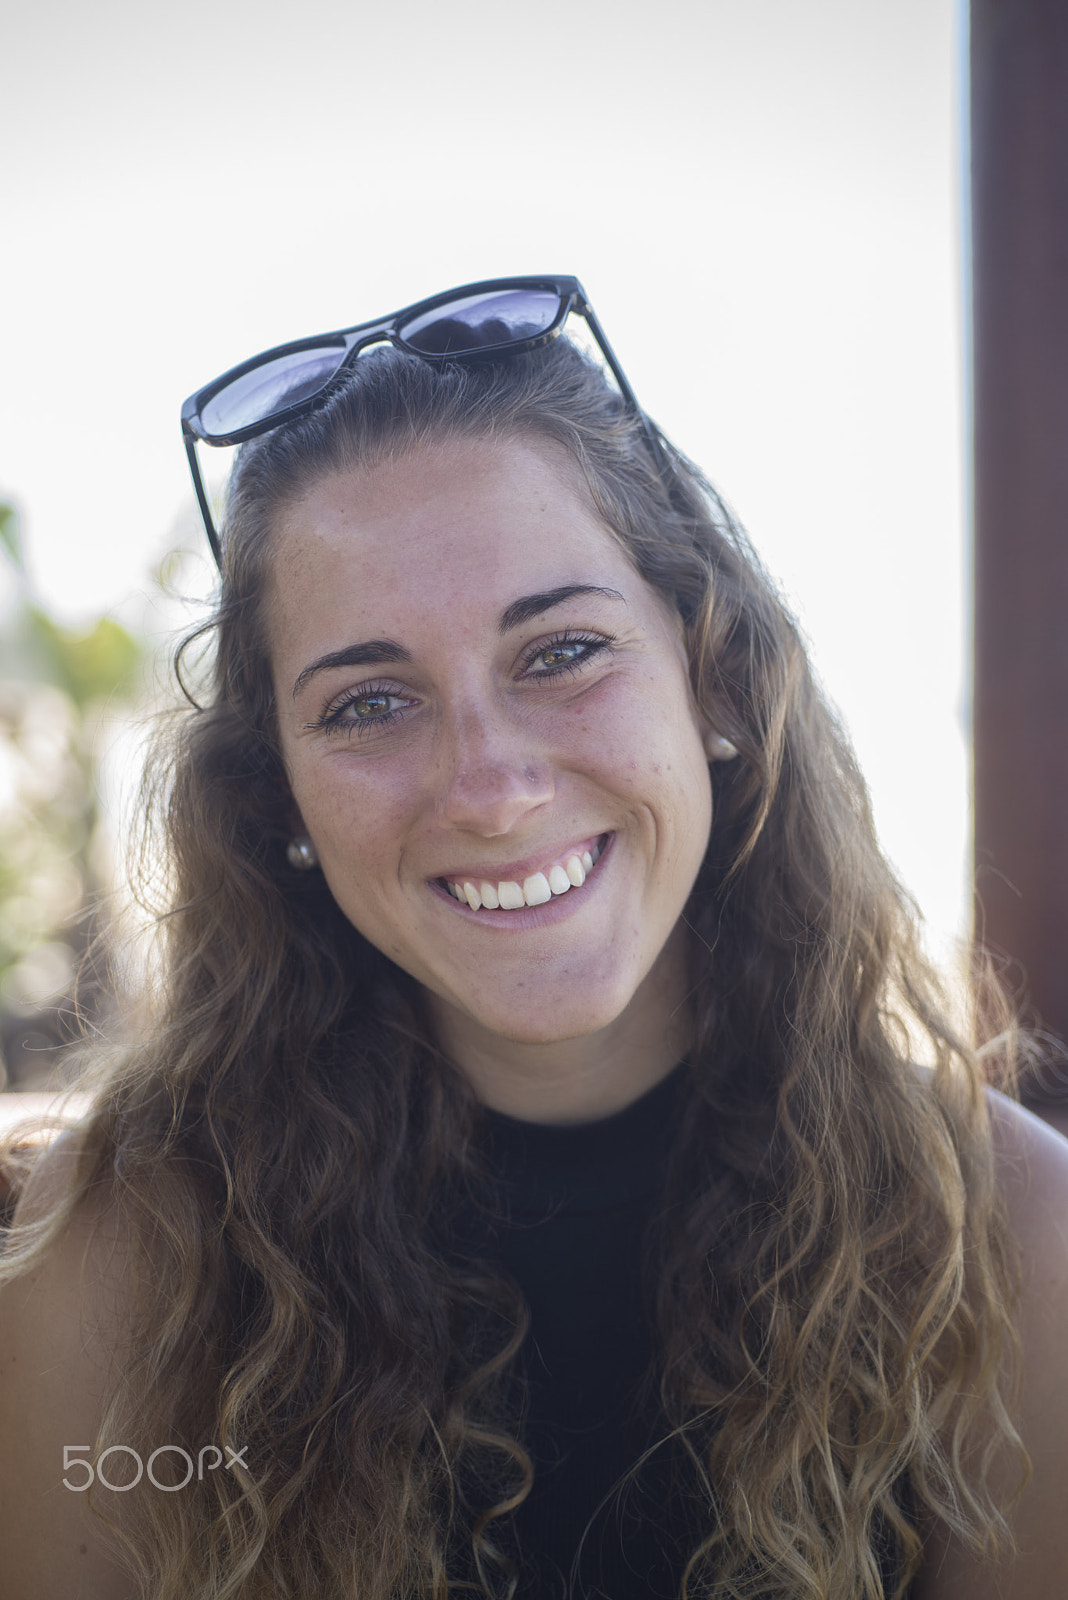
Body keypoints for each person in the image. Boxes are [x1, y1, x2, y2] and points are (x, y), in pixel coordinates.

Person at [1, 277, 1066, 1600]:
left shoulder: (1008, 1236)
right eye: (370, 701)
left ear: (719, 685)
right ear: (278, 795)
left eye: (561, 653)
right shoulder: (128, 1252)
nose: (490, 787)